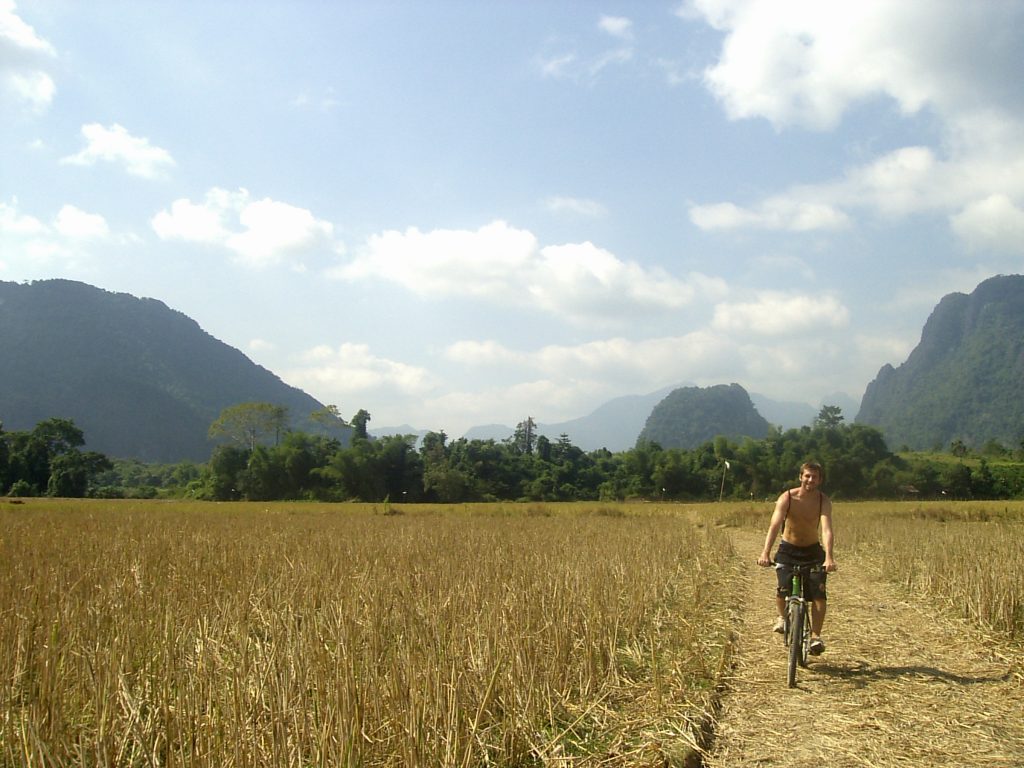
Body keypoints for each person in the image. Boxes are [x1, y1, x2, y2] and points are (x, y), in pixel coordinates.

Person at [757, 461, 836, 655]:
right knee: (782, 589)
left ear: (820, 480)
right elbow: (775, 525)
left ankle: (816, 636)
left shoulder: (822, 501)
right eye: (807, 476)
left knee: (818, 594)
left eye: (814, 477)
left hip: (812, 551)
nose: (810, 480)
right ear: (800, 477)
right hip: (788, 549)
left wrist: (829, 557)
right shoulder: (787, 498)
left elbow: (826, 530)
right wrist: (765, 552)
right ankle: (783, 618)